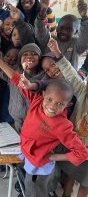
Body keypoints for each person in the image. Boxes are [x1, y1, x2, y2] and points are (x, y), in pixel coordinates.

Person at [0, 50, 88, 197]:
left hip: (40, 166)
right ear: (44, 95)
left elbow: (81, 154)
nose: (52, 107)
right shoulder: (37, 101)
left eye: (60, 104)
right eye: (50, 99)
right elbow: (16, 78)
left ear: (68, 105)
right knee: (28, 185)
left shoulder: (63, 125)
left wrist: (53, 157)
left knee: (36, 190)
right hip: (28, 154)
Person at [48, 38, 88, 197]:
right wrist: (57, 52)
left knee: (86, 181)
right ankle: (66, 193)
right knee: (71, 174)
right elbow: (71, 74)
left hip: (85, 153)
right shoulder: (82, 92)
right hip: (72, 143)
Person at [35, 0, 88, 69]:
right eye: (61, 27)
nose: (64, 31)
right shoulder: (49, 39)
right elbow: (39, 30)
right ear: (57, 27)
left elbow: (85, 39)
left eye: (69, 30)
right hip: (45, 79)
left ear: (76, 32)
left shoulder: (76, 44)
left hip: (67, 80)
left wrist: (84, 17)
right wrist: (43, 11)